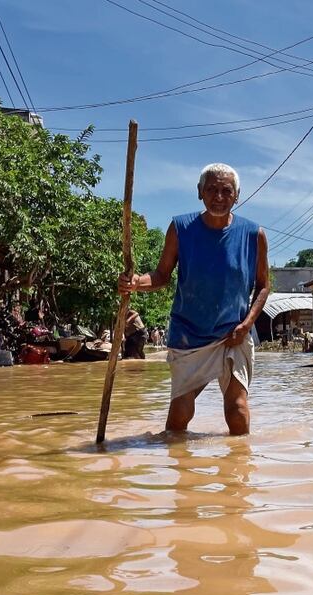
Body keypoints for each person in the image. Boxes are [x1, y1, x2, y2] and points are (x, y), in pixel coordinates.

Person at [119, 163, 270, 435]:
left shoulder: (253, 235)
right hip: (189, 334)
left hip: (233, 334)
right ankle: (179, 470)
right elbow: (162, 275)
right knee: (180, 414)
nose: (219, 197)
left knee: (236, 410)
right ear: (200, 192)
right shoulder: (181, 228)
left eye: (227, 191)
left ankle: (239, 472)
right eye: (212, 189)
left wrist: (246, 325)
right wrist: (135, 283)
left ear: (237, 196)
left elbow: (263, 287)